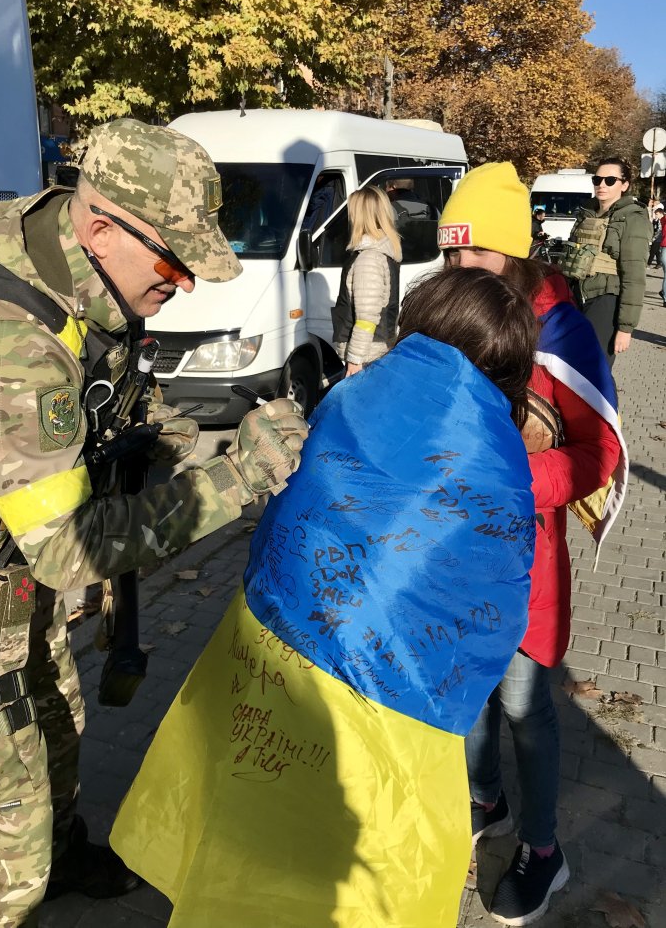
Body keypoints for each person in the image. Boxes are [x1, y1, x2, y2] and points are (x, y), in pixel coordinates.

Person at [0, 119, 308, 928]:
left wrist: (166, 435)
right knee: (9, 821)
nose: (183, 284)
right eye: (175, 261)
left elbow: (109, 398)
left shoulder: (71, 267)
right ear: (103, 227)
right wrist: (239, 475)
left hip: (10, 563)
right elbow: (72, 551)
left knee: (60, 722)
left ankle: (65, 857)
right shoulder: (4, 340)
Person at [111, 267, 541, 928]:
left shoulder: (351, 396)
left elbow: (294, 519)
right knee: (356, 879)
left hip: (270, 670)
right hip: (395, 713)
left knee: (250, 841)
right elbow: (500, 608)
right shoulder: (504, 462)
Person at [438, 161, 626, 925]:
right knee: (469, 689)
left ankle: (544, 850)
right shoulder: (447, 309)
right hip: (452, 545)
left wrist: (514, 476)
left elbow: (599, 453)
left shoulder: (561, 327)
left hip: (523, 554)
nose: (457, 269)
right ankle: (486, 797)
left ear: (511, 250)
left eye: (472, 253)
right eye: (449, 253)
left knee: (522, 701)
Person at [561, 156, 650, 366]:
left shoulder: (632, 218)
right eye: (597, 179)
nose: (602, 185)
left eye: (610, 180)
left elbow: (634, 276)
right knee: (570, 367)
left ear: (624, 185)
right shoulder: (586, 213)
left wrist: (625, 328)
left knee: (595, 371)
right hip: (575, 296)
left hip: (606, 299)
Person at [331, 185, 402, 376]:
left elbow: (367, 319)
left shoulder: (368, 259)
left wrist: (355, 360)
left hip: (367, 357)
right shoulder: (383, 254)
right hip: (375, 352)